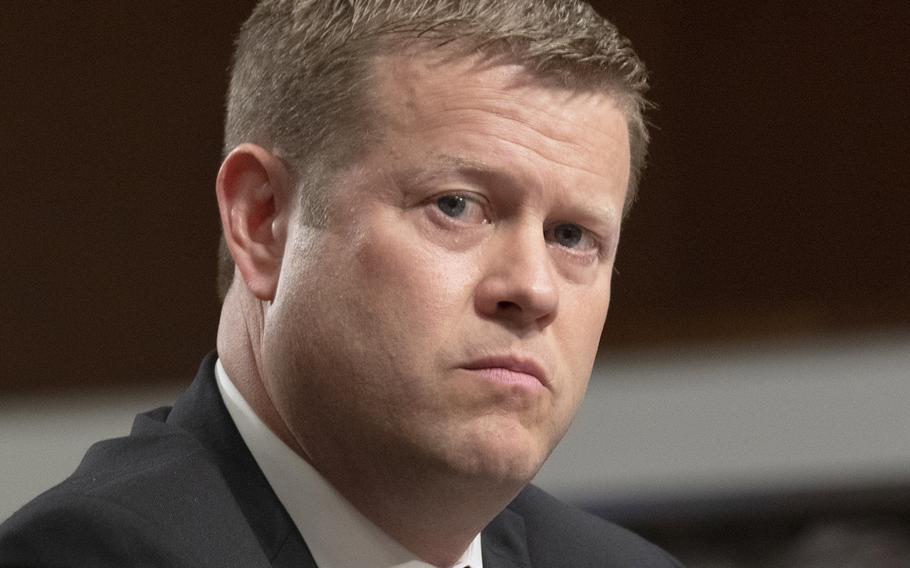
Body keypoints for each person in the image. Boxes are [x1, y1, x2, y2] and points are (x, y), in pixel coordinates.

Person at [0, 1, 681, 566]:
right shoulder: (97, 554)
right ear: (263, 220)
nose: (534, 290)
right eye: (455, 205)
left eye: (571, 237)